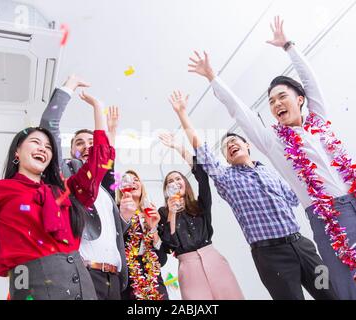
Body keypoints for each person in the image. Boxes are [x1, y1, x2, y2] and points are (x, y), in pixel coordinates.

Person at [188, 16, 356, 299]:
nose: (275, 104)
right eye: (271, 102)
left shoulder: (319, 122)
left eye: (281, 97)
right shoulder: (273, 143)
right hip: (331, 219)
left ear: (299, 99)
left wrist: (288, 46)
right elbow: (241, 113)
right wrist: (213, 77)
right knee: (353, 291)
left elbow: (312, 83)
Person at [167, 90, 337, 300]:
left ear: (247, 145)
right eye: (225, 147)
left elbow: (294, 199)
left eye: (234, 141)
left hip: (303, 247)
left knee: (330, 293)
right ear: (227, 160)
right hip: (271, 257)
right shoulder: (226, 178)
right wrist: (183, 114)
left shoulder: (271, 172)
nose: (230, 145)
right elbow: (201, 149)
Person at [0, 115, 114, 299]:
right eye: (36, 142)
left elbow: (98, 166)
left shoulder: (65, 191)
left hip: (85, 289)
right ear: (17, 151)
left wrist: (97, 109)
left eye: (48, 147)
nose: (43, 148)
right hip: (31, 287)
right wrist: (66, 89)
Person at [40, 75, 128, 299]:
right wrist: (68, 87)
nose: (87, 146)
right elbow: (49, 126)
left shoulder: (107, 189)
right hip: (82, 276)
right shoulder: (64, 177)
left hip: (115, 281)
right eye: (80, 142)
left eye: (91, 142)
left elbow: (112, 232)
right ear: (71, 152)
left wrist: (125, 219)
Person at [157, 127, 244, 300]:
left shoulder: (200, 205)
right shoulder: (163, 212)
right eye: (170, 181)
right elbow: (169, 243)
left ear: (185, 183)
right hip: (187, 267)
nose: (174, 182)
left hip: (213, 259)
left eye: (178, 178)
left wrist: (179, 147)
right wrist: (172, 214)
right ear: (166, 189)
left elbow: (202, 176)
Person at [117, 170, 169, 300]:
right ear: (122, 188)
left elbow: (161, 260)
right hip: (128, 282)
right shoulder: (116, 211)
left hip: (154, 282)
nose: (132, 182)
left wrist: (153, 228)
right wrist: (124, 218)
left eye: (136, 179)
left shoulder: (151, 213)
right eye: (128, 180)